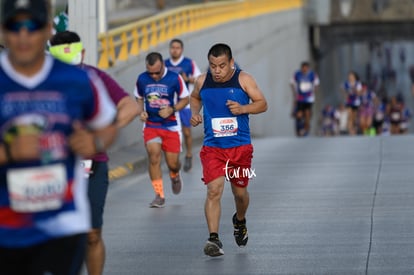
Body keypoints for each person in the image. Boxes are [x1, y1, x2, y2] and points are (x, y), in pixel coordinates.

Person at [0, 0, 118, 274]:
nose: (24, 36)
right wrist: (9, 151)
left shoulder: (77, 80)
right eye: (15, 27)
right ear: (4, 31)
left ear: (47, 31)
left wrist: (95, 142)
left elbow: (109, 122)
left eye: (33, 27)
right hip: (7, 226)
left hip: (63, 223)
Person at [49, 31, 139, 275]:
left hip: (93, 166)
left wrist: (99, 136)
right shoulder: (43, 81)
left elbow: (130, 106)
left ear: (84, 55)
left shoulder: (95, 78)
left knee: (91, 234)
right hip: (52, 169)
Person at [190, 43, 267, 257]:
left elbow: (262, 104)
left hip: (240, 149)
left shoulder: (244, 80)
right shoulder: (202, 81)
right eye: (213, 65)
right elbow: (194, 98)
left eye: (222, 66)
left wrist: (243, 108)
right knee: (214, 190)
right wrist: (195, 113)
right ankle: (213, 238)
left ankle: (239, 220)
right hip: (213, 148)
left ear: (231, 63)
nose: (217, 70)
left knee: (240, 194)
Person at [134, 52, 189, 208]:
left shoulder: (174, 78)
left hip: (171, 125)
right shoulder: (142, 79)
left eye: (157, 72)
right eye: (150, 72)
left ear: (163, 66)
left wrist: (172, 109)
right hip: (151, 125)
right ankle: (159, 195)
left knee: (173, 163)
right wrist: (141, 111)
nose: (154, 76)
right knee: (154, 156)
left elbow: (186, 99)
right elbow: (138, 97)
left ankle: (174, 174)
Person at [165, 38, 201, 172]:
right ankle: (174, 159)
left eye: (177, 48)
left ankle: (189, 154)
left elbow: (199, 78)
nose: (174, 50)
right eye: (172, 47)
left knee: (186, 132)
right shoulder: (164, 64)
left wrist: (188, 79)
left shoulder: (189, 63)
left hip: (185, 103)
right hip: (169, 103)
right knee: (171, 133)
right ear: (169, 49)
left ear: (182, 49)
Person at [290, 61, 319, 136]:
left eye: (306, 68)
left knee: (307, 113)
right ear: (301, 68)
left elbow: (316, 84)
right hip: (300, 97)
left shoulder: (312, 74)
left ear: (308, 68)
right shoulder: (297, 74)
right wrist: (294, 93)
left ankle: (306, 127)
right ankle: (299, 128)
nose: (304, 70)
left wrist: (314, 92)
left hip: (309, 98)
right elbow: (292, 83)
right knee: (299, 114)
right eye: (303, 68)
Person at [341, 71, 363, 135]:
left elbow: (359, 93)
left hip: (355, 102)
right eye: (349, 76)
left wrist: (355, 90)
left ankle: (353, 127)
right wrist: (345, 94)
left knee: (354, 116)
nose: (350, 77)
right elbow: (342, 90)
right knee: (349, 114)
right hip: (348, 101)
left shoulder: (358, 83)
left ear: (354, 77)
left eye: (352, 76)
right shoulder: (346, 83)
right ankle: (350, 130)